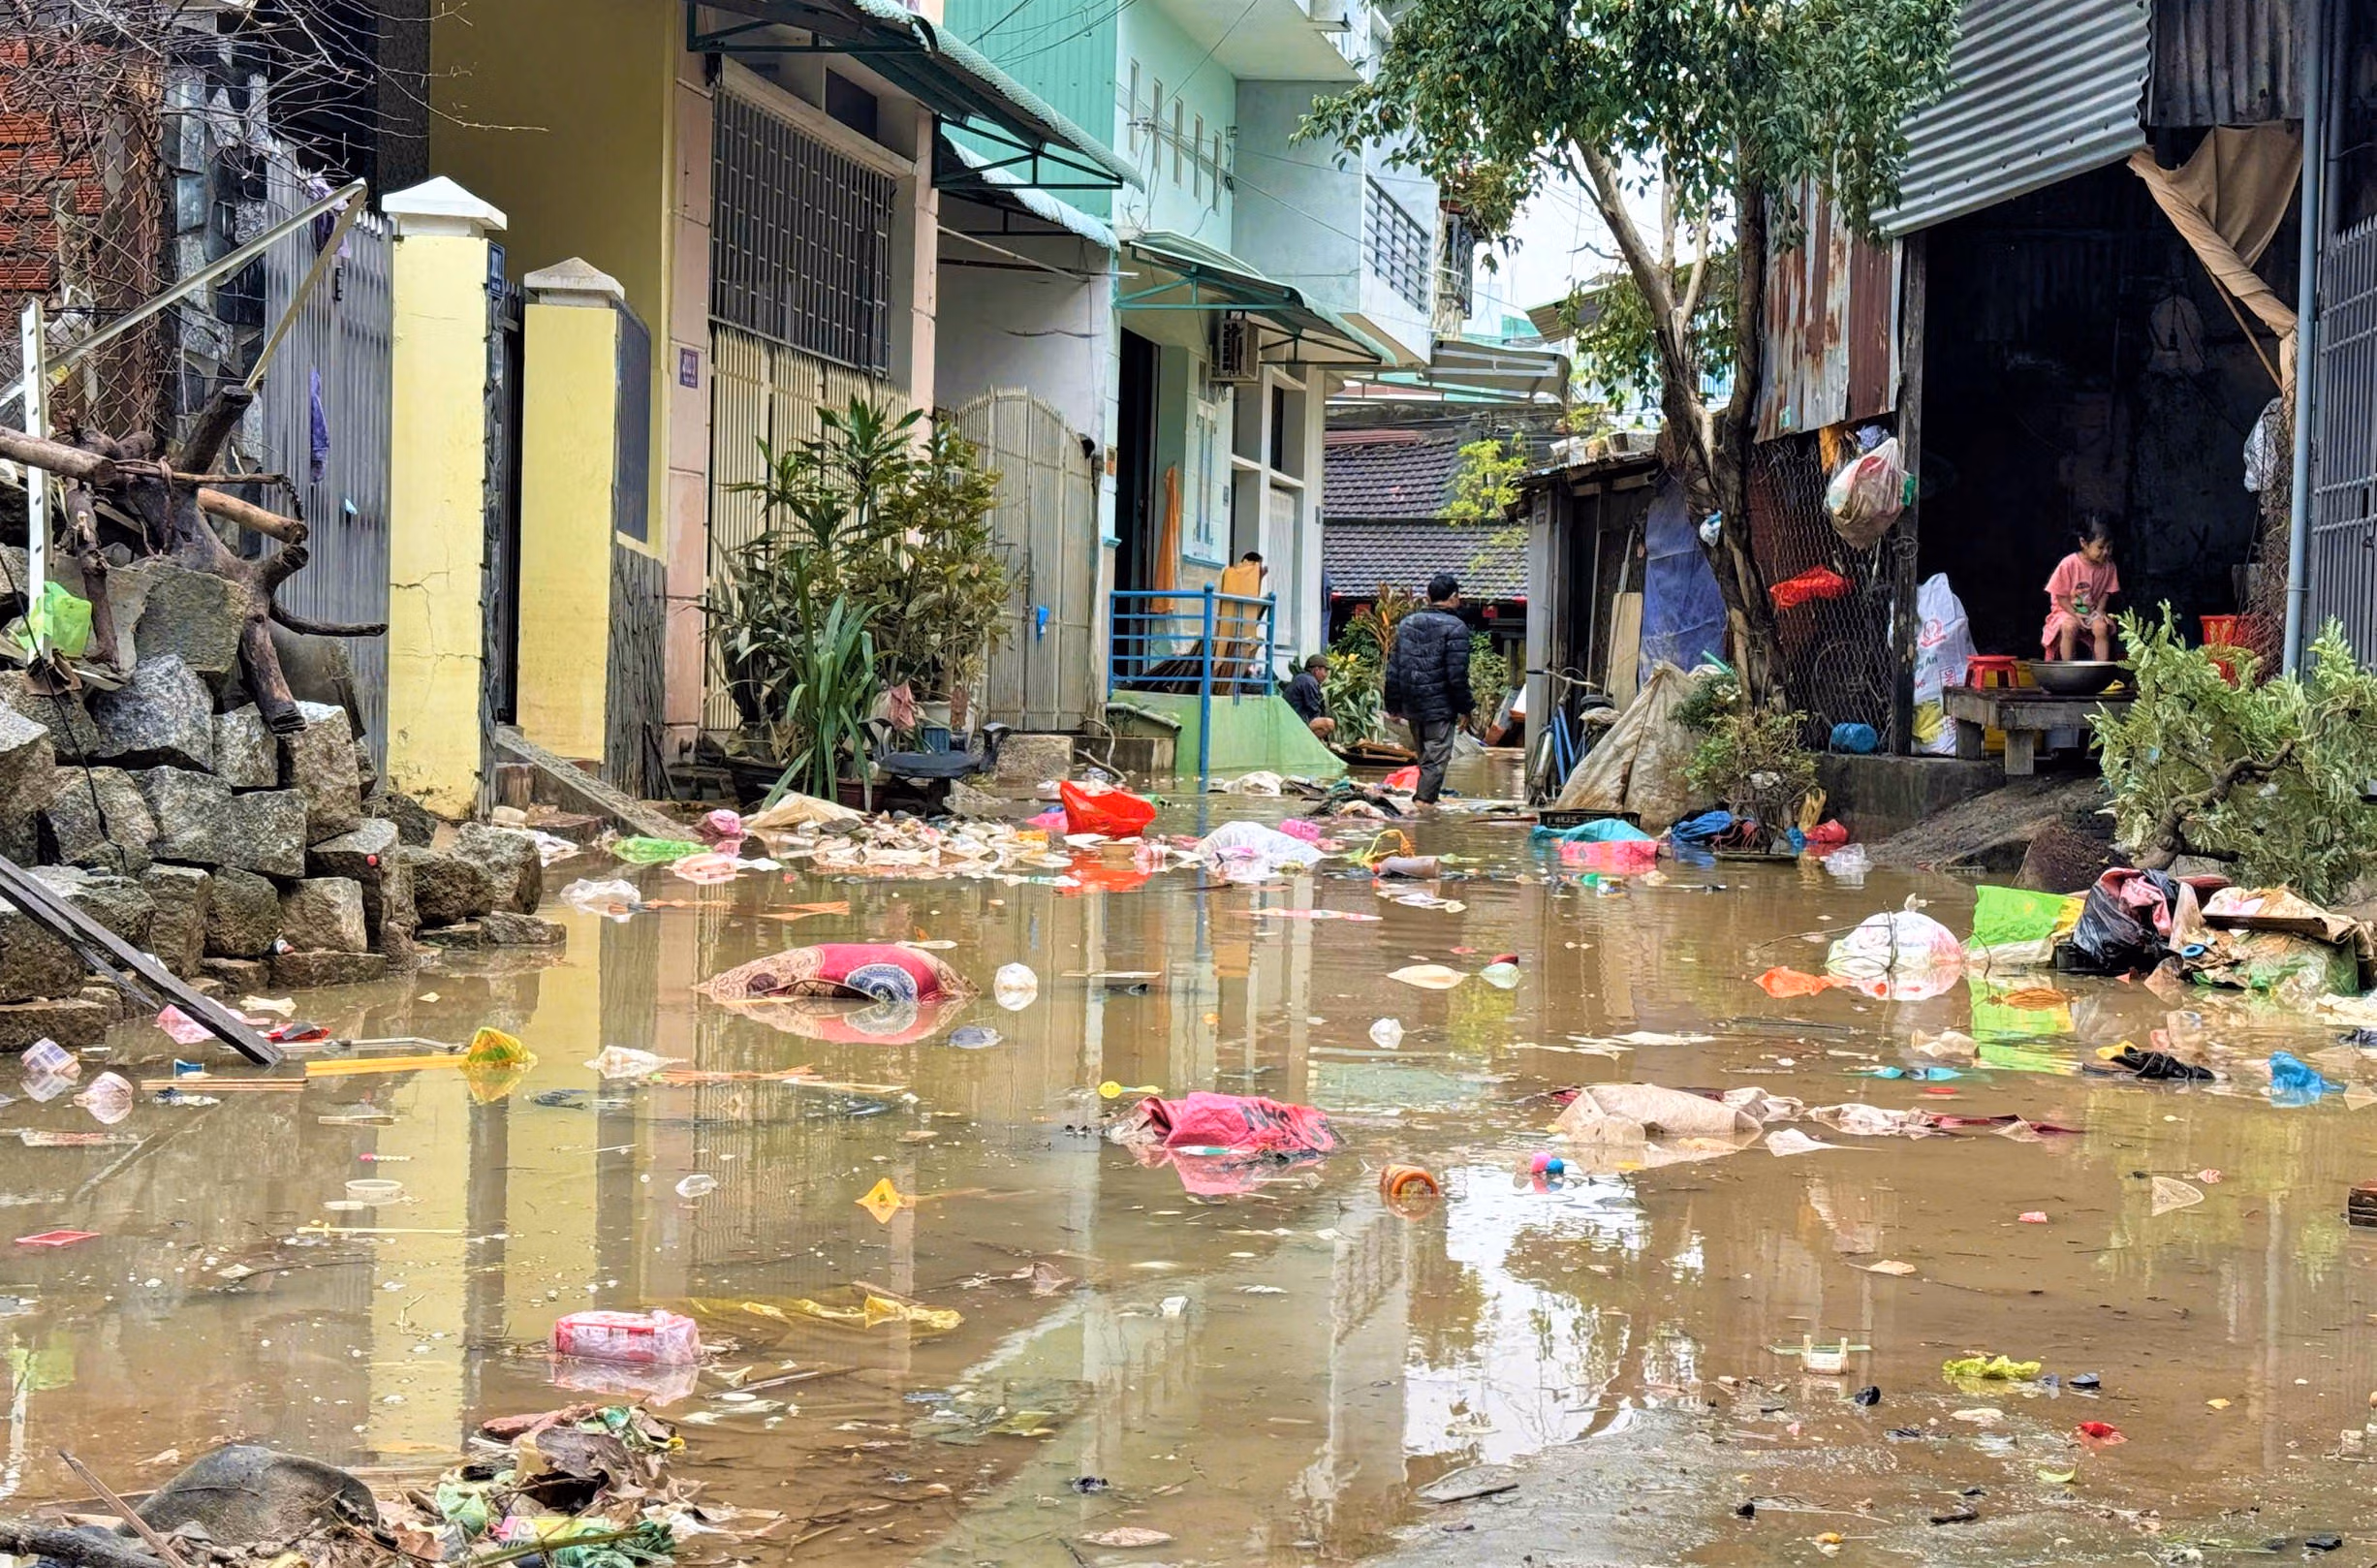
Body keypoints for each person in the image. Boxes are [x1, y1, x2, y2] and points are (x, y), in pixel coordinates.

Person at [1384, 573, 1473, 803]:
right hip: (1440, 707)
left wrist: (1393, 705)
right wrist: (1466, 708)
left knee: (1425, 757)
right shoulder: (1456, 627)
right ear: (1453, 597)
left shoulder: (1407, 624)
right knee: (1435, 759)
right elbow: (1456, 674)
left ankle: (1425, 802)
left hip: (1413, 704)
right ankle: (1423, 807)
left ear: (1428, 596)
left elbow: (1394, 668)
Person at [2043, 517, 2120, 660]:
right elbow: (2060, 596)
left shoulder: (2109, 567)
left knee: (2101, 627)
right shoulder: (2068, 564)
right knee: (2069, 627)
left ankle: (2101, 667)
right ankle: (2068, 667)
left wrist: (2099, 611)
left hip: (2091, 612)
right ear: (2083, 543)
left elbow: (2106, 592)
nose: (2106, 552)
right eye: (2100, 547)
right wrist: (2074, 614)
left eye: (2109, 547)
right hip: (2065, 611)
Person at [1285, 653, 1335, 740]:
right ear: (1316, 670)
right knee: (1329, 724)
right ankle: (1303, 743)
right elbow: (1313, 710)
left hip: (1291, 720)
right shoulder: (1309, 681)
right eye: (1325, 671)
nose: (1326, 675)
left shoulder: (1302, 678)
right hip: (1294, 723)